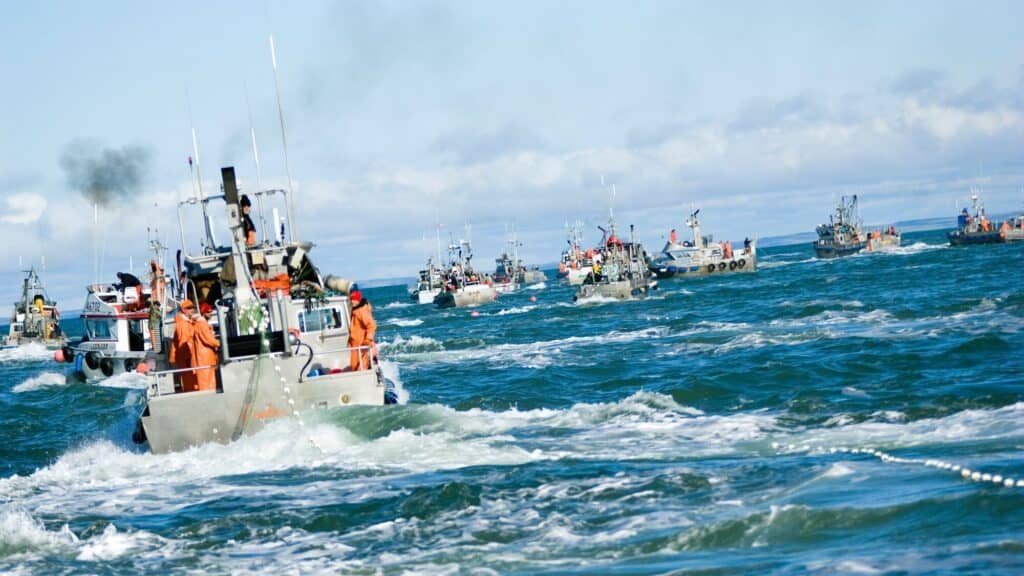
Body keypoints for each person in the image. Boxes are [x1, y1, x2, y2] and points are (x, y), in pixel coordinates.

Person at [192, 303, 221, 391]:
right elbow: (208, 339)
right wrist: (219, 343)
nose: (211, 313)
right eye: (208, 312)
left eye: (211, 311)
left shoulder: (201, 324)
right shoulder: (202, 324)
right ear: (203, 313)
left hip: (206, 357)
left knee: (208, 379)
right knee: (207, 381)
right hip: (205, 358)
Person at [169, 299, 196, 392]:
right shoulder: (183, 324)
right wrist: (188, 358)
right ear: (183, 310)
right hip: (185, 358)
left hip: (185, 357)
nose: (192, 310)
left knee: (188, 379)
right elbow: (183, 342)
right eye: (189, 308)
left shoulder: (186, 321)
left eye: (193, 307)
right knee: (188, 380)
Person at [348, 290, 376, 371]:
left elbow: (371, 325)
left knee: (361, 368)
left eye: (354, 299)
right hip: (355, 345)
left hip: (362, 344)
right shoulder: (355, 311)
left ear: (358, 300)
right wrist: (350, 341)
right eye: (351, 299)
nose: (352, 301)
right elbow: (354, 329)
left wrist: (368, 339)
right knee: (354, 366)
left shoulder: (361, 311)